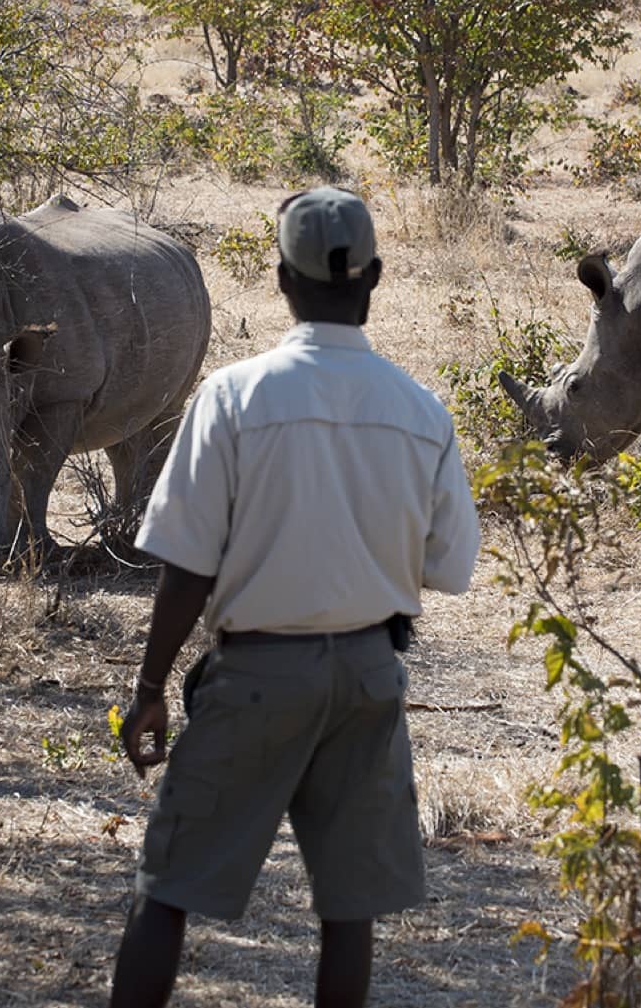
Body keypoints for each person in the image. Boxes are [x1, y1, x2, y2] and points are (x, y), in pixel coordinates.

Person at [109, 187, 482, 1008]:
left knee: (166, 886)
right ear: (375, 277)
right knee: (348, 909)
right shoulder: (421, 412)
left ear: (280, 279)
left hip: (254, 676)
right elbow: (451, 567)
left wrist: (149, 688)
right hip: (367, 675)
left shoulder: (234, 398)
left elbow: (185, 563)